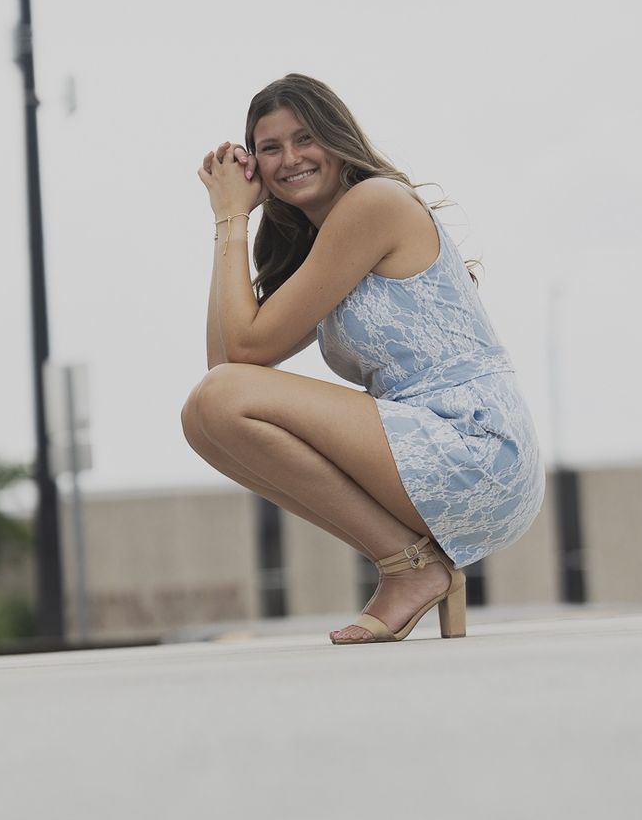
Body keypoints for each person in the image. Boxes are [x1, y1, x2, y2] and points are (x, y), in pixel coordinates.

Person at [182, 73, 545, 645]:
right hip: (427, 447)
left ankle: (410, 569)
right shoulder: (318, 243)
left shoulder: (373, 204)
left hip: (477, 444)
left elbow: (240, 360)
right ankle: (409, 564)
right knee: (205, 419)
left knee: (220, 399)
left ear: (337, 136)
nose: (290, 159)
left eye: (305, 139)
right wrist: (231, 219)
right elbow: (226, 359)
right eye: (270, 148)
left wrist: (231, 216)